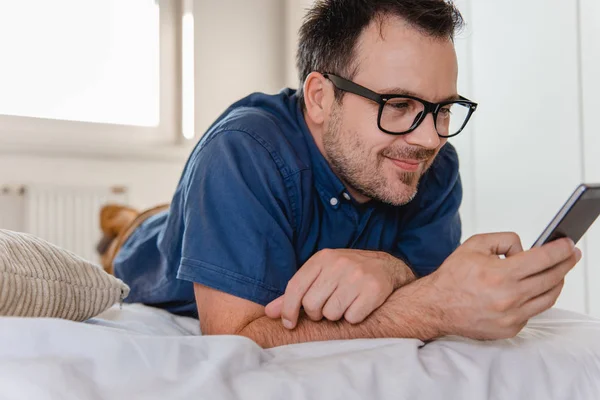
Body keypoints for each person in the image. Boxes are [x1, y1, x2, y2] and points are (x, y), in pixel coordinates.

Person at [102, 0, 581, 349]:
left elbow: (427, 276)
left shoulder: (432, 162)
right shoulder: (242, 152)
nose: (431, 138)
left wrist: (392, 268)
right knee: (132, 236)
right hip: (151, 253)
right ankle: (123, 223)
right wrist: (432, 306)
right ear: (319, 98)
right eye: (398, 105)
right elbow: (235, 336)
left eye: (443, 110)